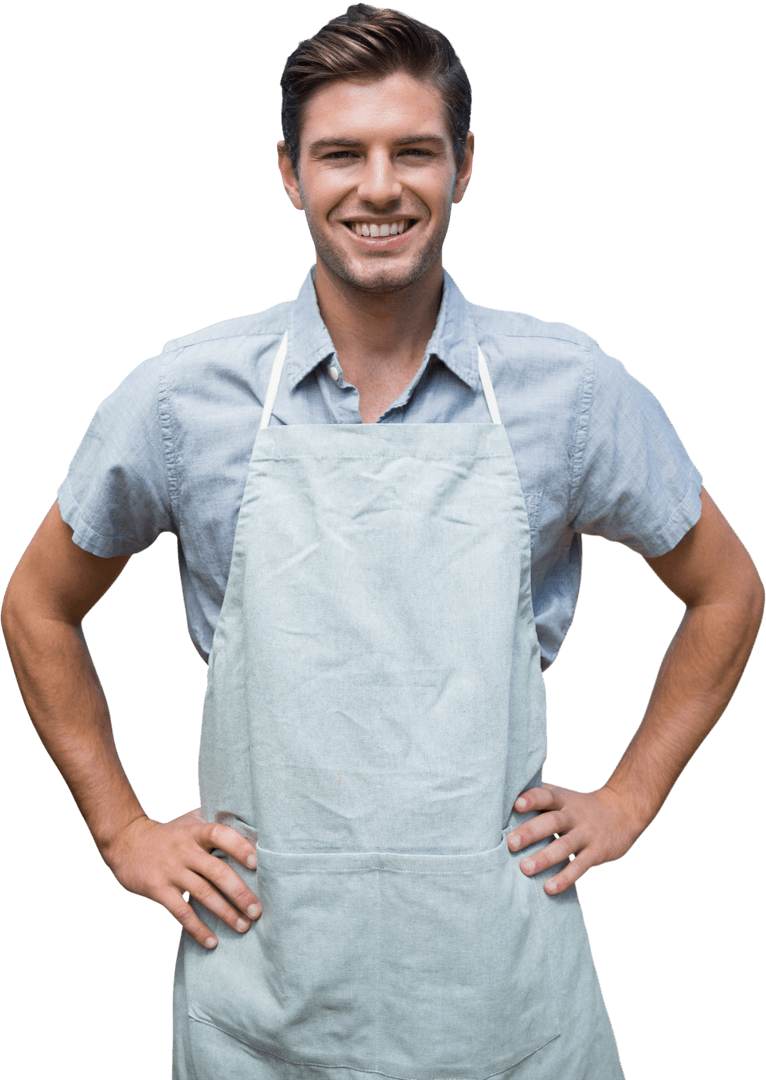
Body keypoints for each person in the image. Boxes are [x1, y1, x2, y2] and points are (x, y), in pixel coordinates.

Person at [2, 4, 762, 1079]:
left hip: (498, 988)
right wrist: (123, 831)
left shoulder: (571, 391)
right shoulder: (182, 398)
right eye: (339, 154)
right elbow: (37, 604)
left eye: (413, 151)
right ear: (287, 172)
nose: (378, 186)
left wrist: (628, 795)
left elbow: (726, 588)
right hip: (266, 985)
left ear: (462, 166)